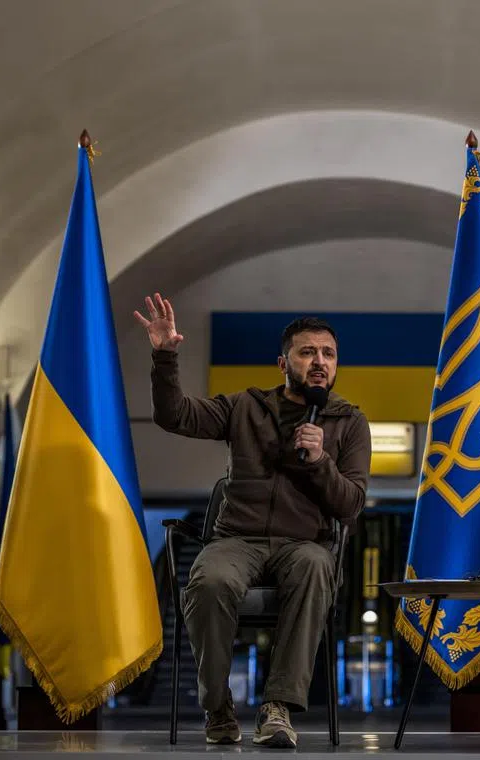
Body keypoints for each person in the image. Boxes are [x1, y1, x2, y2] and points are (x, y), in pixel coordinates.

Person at [135, 293, 372, 748]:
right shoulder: (245, 406)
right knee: (209, 581)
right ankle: (217, 706)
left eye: (328, 354)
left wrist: (320, 460)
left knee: (316, 566)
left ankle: (277, 706)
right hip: (236, 540)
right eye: (307, 352)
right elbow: (174, 415)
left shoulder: (349, 422)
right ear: (283, 363)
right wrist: (165, 356)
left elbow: (350, 505)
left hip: (304, 544)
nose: (319, 362)